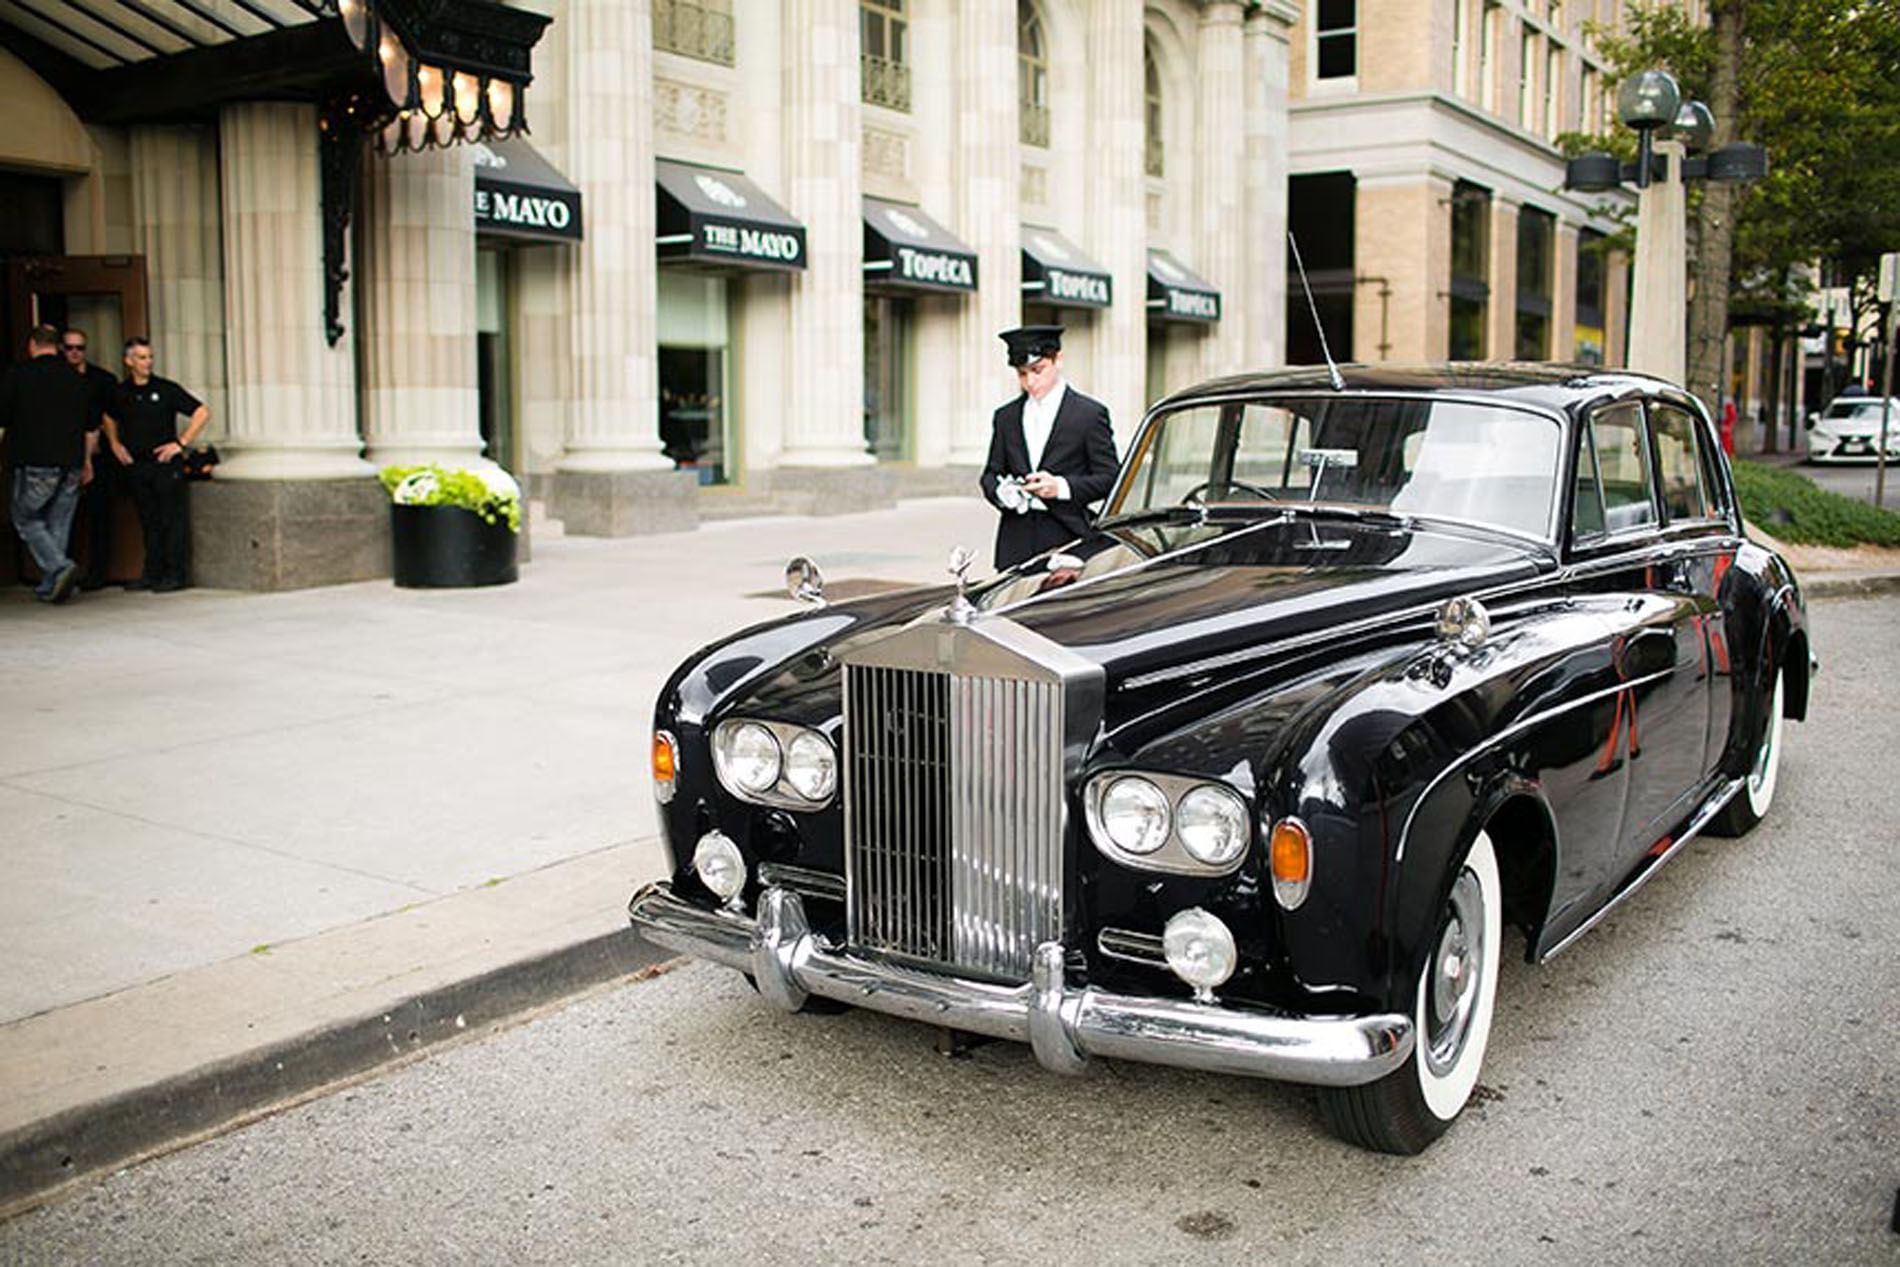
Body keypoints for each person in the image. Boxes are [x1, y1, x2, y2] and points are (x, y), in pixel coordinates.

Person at [978, 325, 1119, 571]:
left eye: (1037, 370)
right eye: (1022, 374)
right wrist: (1003, 493)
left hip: (1069, 540)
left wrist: (1060, 487)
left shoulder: (1089, 414)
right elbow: (990, 474)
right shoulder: (1006, 417)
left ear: (1058, 360)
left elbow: (1111, 479)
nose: (1030, 382)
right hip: (1015, 544)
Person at [1, 324, 99, 602]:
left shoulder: (19, 374)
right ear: (57, 347)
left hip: (35, 460)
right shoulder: (76, 378)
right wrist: (87, 460)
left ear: (32, 345)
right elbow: (91, 425)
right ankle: (51, 585)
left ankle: (59, 567)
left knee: (25, 518)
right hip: (71, 461)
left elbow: (3, 414)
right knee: (59, 522)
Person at [103, 338, 208, 593]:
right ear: (128, 361)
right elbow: (107, 416)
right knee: (148, 520)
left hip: (165, 464)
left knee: (171, 520)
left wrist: (180, 443)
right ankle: (152, 573)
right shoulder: (120, 392)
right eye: (141, 357)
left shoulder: (166, 389)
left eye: (150, 357)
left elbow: (201, 411)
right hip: (137, 465)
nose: (147, 362)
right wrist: (115, 444)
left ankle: (176, 574)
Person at [63, 328, 123, 590]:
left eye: (80, 348)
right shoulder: (56, 379)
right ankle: (64, 571)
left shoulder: (102, 380)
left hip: (99, 459)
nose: (75, 353)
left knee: (100, 516)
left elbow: (114, 415)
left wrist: (114, 443)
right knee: (67, 518)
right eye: (69, 348)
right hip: (64, 456)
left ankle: (97, 574)